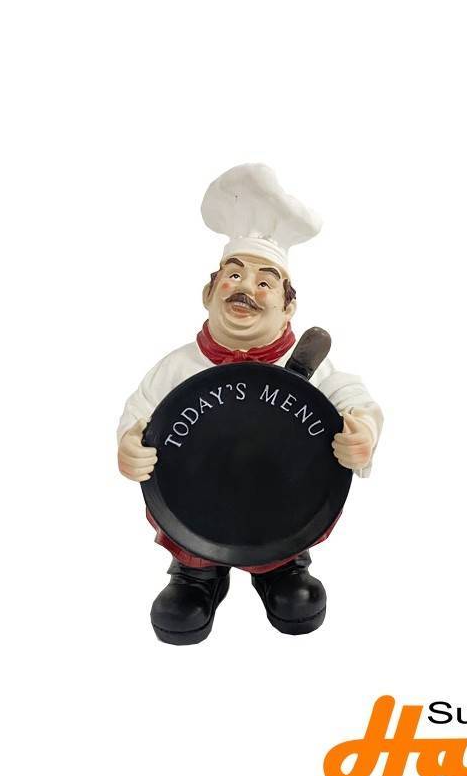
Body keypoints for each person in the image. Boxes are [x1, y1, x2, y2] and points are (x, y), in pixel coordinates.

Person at [117, 164, 383, 644]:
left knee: (287, 566)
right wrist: (130, 446)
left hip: (278, 507)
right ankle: (197, 577)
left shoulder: (308, 366)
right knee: (191, 563)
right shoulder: (179, 366)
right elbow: (140, 414)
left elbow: (351, 398)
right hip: (197, 508)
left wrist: (361, 432)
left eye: (265, 282)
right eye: (234, 275)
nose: (246, 289)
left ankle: (281, 571)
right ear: (208, 293)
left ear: (288, 306)